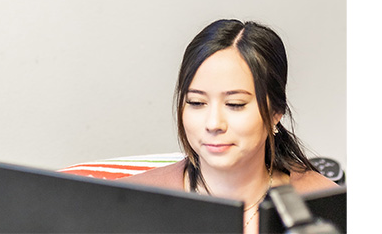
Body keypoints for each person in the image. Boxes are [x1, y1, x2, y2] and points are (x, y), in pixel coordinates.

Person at [123, 19, 337, 233]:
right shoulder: (132, 199)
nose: (214, 124)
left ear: (275, 113)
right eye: (196, 103)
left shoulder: (325, 206)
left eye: (235, 105)